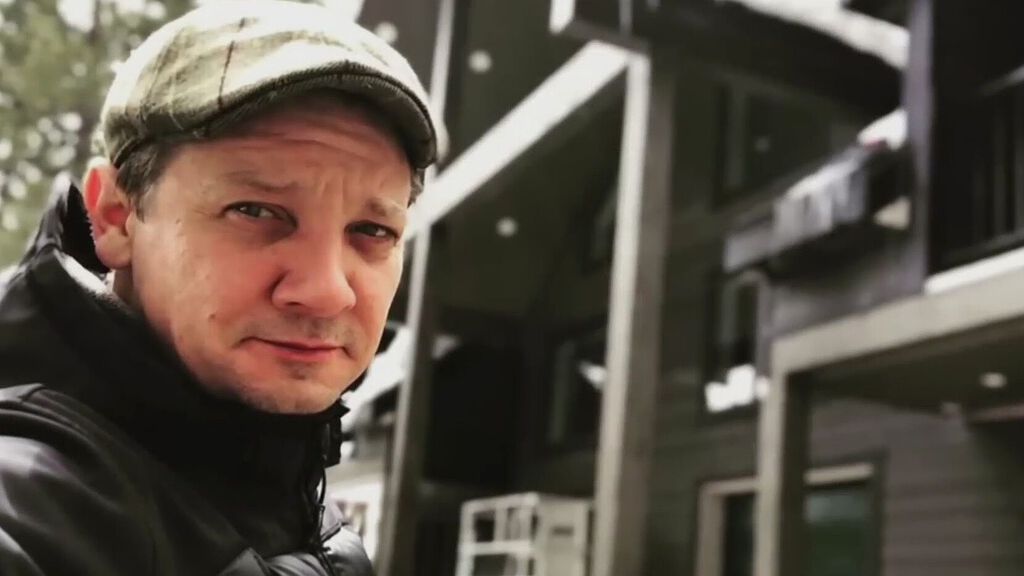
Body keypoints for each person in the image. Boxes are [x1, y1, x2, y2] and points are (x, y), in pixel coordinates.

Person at [0, 1, 440, 574]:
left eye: (373, 231)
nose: (328, 291)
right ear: (116, 217)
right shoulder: (33, 503)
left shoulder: (296, 500)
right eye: (255, 210)